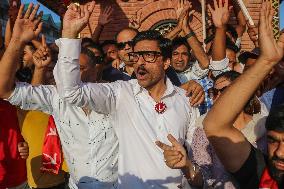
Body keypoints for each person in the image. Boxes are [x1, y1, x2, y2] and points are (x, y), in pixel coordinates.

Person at [54, 3, 199, 188]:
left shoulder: (187, 99)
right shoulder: (120, 92)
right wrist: (69, 34)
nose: (140, 63)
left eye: (149, 56)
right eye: (137, 56)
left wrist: (186, 166)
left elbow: (199, 166)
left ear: (166, 62)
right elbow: (71, 92)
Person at [0, 3, 118, 188]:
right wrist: (17, 40)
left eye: (78, 69)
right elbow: (5, 90)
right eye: (67, 69)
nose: (70, 75)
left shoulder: (119, 95)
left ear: (96, 71)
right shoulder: (56, 97)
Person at [203, 1, 284, 188]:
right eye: (272, 140)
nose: (279, 153)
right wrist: (266, 61)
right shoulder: (266, 177)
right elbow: (215, 125)